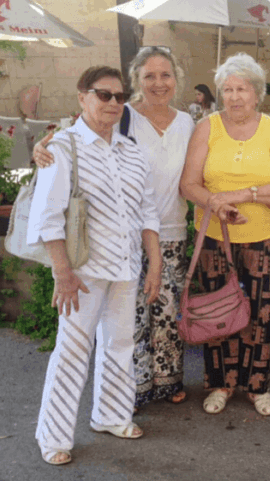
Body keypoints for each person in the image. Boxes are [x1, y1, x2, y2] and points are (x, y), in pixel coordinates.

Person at [33, 47, 196, 410]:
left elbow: (179, 183)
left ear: (176, 79)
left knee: (148, 324)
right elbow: (70, 144)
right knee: (108, 331)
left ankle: (146, 395)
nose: (158, 82)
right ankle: (119, 398)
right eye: (149, 76)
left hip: (161, 235)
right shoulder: (119, 119)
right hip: (106, 245)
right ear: (137, 80)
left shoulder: (184, 123)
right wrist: (39, 150)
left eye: (165, 75)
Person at [28, 66, 161, 466]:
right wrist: (62, 273)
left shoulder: (132, 151)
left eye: (120, 97)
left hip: (126, 267)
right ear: (82, 97)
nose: (113, 103)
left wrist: (153, 265)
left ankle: (112, 415)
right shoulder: (62, 148)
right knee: (72, 349)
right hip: (82, 272)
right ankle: (52, 436)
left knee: (121, 344)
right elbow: (48, 216)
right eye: (103, 95)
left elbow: (148, 212)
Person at [179, 53, 270, 417]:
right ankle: (220, 383)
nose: (234, 97)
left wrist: (244, 195)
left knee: (263, 314)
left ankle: (257, 385)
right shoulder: (207, 127)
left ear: (257, 93)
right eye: (227, 89)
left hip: (266, 239)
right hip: (216, 238)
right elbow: (188, 184)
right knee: (219, 311)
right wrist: (216, 203)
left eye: (242, 89)